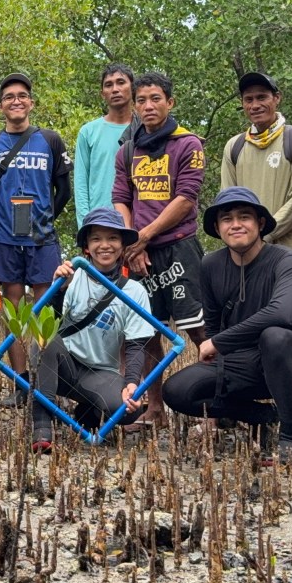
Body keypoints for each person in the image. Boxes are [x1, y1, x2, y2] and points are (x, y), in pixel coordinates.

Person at [160, 188, 292, 465]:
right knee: (177, 390)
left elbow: (280, 314)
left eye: (245, 217)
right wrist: (217, 351)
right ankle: (262, 416)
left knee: (274, 337)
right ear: (217, 227)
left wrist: (219, 343)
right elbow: (212, 325)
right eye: (227, 219)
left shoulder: (287, 260)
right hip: (243, 362)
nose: (235, 224)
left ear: (260, 224)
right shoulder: (210, 264)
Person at [220, 71, 292, 441]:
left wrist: (258, 232)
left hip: (290, 256)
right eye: (248, 99)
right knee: (243, 334)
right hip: (243, 262)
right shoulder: (234, 146)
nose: (255, 105)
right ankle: (238, 408)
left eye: (262, 97)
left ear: (277, 98)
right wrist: (242, 239)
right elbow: (227, 202)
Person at [111, 70, 207, 424]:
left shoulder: (188, 144)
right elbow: (121, 198)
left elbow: (186, 198)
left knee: (199, 329)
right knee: (146, 331)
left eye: (155, 99)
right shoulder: (128, 150)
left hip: (179, 247)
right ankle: (154, 410)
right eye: (141, 100)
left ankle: (213, 410)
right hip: (139, 250)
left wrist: (144, 236)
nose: (148, 106)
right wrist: (131, 239)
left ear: (170, 102)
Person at [31, 207, 154, 453]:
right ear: (86, 246)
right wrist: (59, 291)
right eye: (96, 238)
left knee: (128, 412)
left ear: (122, 245)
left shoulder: (135, 292)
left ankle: (87, 412)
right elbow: (47, 322)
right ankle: (42, 427)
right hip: (63, 363)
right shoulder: (71, 277)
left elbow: (136, 345)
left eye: (112, 238)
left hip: (99, 372)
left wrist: (131, 383)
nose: (104, 245)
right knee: (44, 341)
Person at [0, 72, 72, 387]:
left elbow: (64, 189)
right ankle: (20, 381)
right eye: (9, 97)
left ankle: (47, 381)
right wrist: (0, 219)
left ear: (31, 102)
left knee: (45, 307)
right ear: (0, 106)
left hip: (42, 238)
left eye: (22, 95)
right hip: (5, 238)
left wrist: (46, 218)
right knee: (13, 308)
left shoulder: (50, 139)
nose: (16, 101)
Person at [74, 65, 138, 227]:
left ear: (133, 87)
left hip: (139, 222)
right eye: (109, 85)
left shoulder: (145, 129)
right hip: (100, 222)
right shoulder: (88, 132)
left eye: (121, 82)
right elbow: (81, 185)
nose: (115, 89)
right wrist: (85, 227)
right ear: (103, 93)